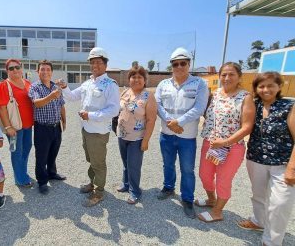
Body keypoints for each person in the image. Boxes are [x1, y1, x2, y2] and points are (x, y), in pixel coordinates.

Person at [237, 72, 295, 246]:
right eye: (261, 86)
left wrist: (292, 167)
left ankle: (271, 241)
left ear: (279, 86)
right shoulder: (253, 104)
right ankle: (258, 222)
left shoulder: (289, 106)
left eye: (270, 85)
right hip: (256, 159)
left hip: (283, 163)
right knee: (258, 195)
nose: (265, 89)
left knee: (279, 204)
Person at [58, 47, 120, 207]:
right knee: (91, 159)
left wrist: (90, 116)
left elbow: (113, 110)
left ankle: (99, 192)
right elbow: (72, 97)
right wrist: (64, 87)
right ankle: (92, 183)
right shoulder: (87, 83)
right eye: (92, 63)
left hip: (98, 132)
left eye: (98, 62)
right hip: (86, 129)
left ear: (105, 65)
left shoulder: (110, 85)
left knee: (98, 162)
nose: (95, 66)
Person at [196, 62, 255, 223]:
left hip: (232, 147)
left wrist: (225, 141)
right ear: (219, 76)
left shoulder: (245, 97)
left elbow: (247, 126)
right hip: (210, 144)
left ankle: (217, 212)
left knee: (223, 179)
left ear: (239, 77)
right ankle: (211, 199)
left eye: (231, 74)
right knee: (205, 175)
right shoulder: (215, 94)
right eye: (224, 75)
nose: (227, 78)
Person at [154, 47, 208, 218]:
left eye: (182, 63)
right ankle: (169, 188)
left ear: (189, 64)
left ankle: (187, 200)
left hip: (187, 136)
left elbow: (200, 108)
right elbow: (158, 105)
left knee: (187, 169)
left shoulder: (199, 84)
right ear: (171, 66)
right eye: (175, 64)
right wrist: (171, 122)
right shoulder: (163, 84)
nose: (179, 67)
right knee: (167, 165)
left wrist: (179, 122)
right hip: (167, 134)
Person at [116, 65, 157, 204]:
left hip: (137, 138)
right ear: (129, 79)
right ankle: (126, 184)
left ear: (144, 80)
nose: (136, 79)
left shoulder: (148, 96)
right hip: (122, 135)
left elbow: (151, 120)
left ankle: (135, 191)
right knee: (125, 163)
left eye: (140, 77)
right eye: (133, 76)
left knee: (134, 165)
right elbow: (118, 110)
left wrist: (146, 140)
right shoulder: (125, 92)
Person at [29, 60, 66, 195]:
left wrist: (64, 121)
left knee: (53, 152)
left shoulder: (56, 87)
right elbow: (37, 103)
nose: (45, 72)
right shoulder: (35, 87)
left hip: (56, 126)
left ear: (51, 72)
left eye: (48, 69)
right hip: (42, 128)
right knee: (41, 156)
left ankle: (52, 173)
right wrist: (51, 96)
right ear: (38, 72)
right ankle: (42, 181)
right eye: (42, 69)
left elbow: (61, 104)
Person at [0, 59, 34, 187]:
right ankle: (20, 179)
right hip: (14, 127)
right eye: (11, 68)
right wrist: (8, 126)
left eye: (17, 67)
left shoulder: (27, 83)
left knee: (27, 148)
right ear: (7, 71)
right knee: (17, 152)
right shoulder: (4, 85)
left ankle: (22, 172)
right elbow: (1, 107)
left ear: (21, 68)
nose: (15, 70)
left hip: (28, 125)